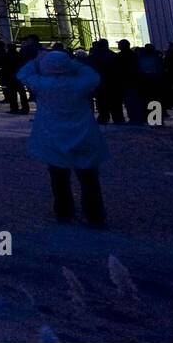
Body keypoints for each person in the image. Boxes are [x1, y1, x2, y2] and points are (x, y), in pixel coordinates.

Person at [18, 48, 107, 227]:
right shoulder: (80, 85)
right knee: (89, 179)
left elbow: (23, 73)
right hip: (83, 133)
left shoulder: (43, 85)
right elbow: (92, 74)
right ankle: (95, 215)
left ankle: (64, 212)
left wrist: (37, 60)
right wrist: (73, 62)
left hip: (54, 135)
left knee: (58, 178)